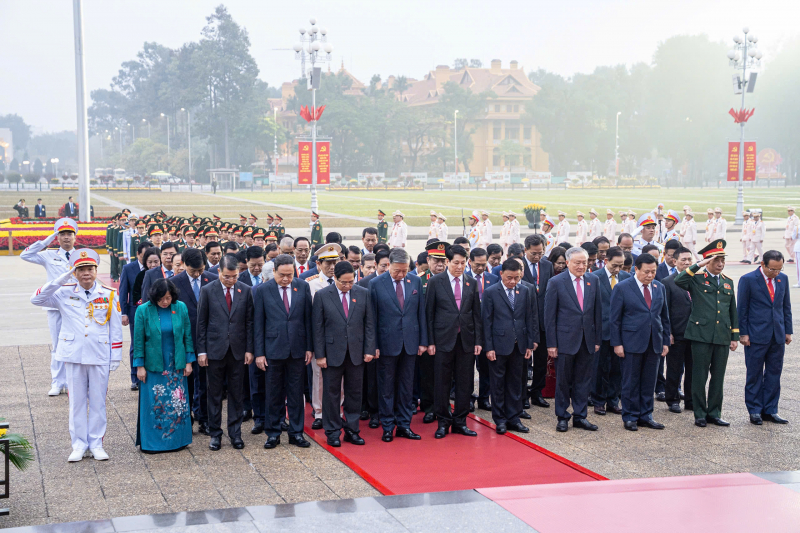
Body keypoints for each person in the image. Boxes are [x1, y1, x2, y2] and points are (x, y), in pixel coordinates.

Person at [30, 249, 122, 462]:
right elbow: (36, 299)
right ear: (74, 272)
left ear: (96, 270)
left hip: (99, 354)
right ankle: (79, 444)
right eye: (80, 269)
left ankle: (96, 443)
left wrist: (115, 356)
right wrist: (59, 279)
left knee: (98, 402)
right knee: (77, 403)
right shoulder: (63, 292)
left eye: (89, 269)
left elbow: (115, 327)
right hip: (73, 355)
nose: (86, 273)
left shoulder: (108, 293)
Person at [674, 239, 739, 427]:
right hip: (700, 335)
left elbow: (732, 310)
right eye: (716, 260)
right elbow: (679, 280)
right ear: (707, 261)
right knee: (699, 376)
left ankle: (714, 413)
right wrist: (698, 265)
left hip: (721, 335)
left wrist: (734, 336)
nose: (720, 264)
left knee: (718, 377)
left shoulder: (728, 282)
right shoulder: (697, 278)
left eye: (722, 261)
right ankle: (700, 413)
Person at [313, 261, 376, 446]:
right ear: (335, 279)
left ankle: (352, 429)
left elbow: (369, 324)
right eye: (344, 282)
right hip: (332, 352)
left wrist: (369, 349)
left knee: (354, 393)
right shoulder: (323, 295)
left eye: (351, 282)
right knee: (331, 394)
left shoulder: (363, 294)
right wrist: (320, 355)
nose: (348, 286)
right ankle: (332, 431)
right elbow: (318, 327)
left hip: (356, 352)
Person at [254, 254, 314, 449]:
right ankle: (273, 433)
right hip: (273, 349)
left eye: (290, 274)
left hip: (297, 349)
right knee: (273, 394)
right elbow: (258, 324)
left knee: (296, 394)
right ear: (274, 272)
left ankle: (296, 433)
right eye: (282, 275)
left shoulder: (302, 286)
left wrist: (308, 347)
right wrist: (260, 353)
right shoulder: (263, 290)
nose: (286, 279)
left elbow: (307, 319)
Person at [196, 254, 255, 451]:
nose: (231, 280)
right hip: (214, 350)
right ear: (219, 272)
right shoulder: (208, 290)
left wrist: (249, 349)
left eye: (235, 276)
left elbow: (249, 322)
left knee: (237, 394)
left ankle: (235, 433)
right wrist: (202, 351)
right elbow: (201, 323)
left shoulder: (245, 290)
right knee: (214, 393)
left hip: (237, 351)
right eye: (227, 276)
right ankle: (215, 434)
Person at [370, 248, 427, 442]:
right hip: (386, 343)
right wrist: (373, 345)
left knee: (406, 387)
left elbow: (421, 314)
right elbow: (372, 319)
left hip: (410, 343)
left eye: (404, 270)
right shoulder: (376, 284)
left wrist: (423, 342)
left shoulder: (415, 281)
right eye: (397, 271)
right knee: (386, 386)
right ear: (389, 266)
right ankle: (387, 426)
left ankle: (404, 425)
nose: (401, 274)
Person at [426, 244, 483, 439]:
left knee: (465, 382)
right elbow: (429, 314)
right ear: (447, 262)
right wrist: (430, 341)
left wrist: (478, 340)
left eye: (463, 262)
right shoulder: (436, 282)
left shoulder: (471, 282)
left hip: (465, 340)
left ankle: (460, 421)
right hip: (443, 340)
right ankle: (443, 421)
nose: (460, 266)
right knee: (441, 382)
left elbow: (476, 313)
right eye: (456, 262)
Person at [609, 253, 670, 431]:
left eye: (653, 272)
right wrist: (617, 343)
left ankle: (646, 415)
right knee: (630, 381)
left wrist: (665, 340)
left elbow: (664, 317)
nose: (650, 275)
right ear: (636, 269)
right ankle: (630, 416)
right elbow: (615, 319)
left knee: (649, 381)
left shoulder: (659, 287)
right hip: (631, 342)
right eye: (646, 272)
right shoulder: (622, 288)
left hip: (654, 342)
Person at [132, 279, 195, 452]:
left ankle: (177, 440)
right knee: (155, 403)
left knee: (177, 403)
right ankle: (153, 443)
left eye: (168, 298)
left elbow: (187, 336)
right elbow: (138, 341)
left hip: (176, 364)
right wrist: (139, 366)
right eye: (161, 298)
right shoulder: (143, 310)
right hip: (154, 365)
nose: (165, 302)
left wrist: (189, 361)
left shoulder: (180, 307)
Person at [545, 246, 603, 432]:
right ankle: (562, 416)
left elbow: (597, 312)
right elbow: (549, 316)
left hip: (587, 340)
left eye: (584, 263)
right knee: (563, 380)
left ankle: (580, 416)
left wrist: (597, 340)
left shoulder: (593, 280)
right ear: (568, 262)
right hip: (564, 340)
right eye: (577, 262)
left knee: (583, 380)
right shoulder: (556, 282)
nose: (581, 266)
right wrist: (551, 343)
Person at [21, 218, 79, 396]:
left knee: (75, 343)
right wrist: (46, 241)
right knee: (57, 345)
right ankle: (57, 382)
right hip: (55, 305)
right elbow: (25, 255)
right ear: (57, 236)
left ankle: (71, 382)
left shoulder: (82, 255)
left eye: (69, 234)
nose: (66, 238)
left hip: (76, 305)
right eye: (62, 234)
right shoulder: (49, 254)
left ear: (75, 237)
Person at [482, 259, 537, 434]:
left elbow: (530, 318)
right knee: (498, 384)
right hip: (498, 345)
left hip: (518, 344)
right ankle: (500, 419)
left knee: (516, 383)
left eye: (516, 278)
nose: (513, 282)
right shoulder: (491, 292)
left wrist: (530, 342)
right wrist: (488, 347)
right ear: (501, 274)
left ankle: (514, 417)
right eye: (509, 278)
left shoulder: (525, 291)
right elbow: (487, 321)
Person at [738, 250, 793, 425]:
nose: (776, 273)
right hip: (755, 335)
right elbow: (742, 309)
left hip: (777, 334)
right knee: (754, 374)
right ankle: (754, 410)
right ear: (762, 264)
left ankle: (770, 409)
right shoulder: (748, 280)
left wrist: (788, 330)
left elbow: (786, 306)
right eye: (772, 269)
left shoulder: (782, 279)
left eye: (779, 269)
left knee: (774, 374)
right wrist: (743, 333)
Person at [170, 248, 217, 436]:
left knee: (206, 382)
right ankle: (186, 418)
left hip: (207, 340)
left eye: (200, 270)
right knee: (186, 381)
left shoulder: (212, 279)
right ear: (183, 265)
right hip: (184, 340)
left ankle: (204, 419)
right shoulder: (174, 283)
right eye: (193, 271)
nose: (197, 274)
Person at [306, 244, 341, 430]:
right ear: (319, 264)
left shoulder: (343, 281)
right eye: (328, 263)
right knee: (318, 377)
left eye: (335, 262)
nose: (332, 266)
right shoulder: (311, 284)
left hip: (340, 339)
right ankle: (319, 412)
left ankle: (338, 412)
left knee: (341, 379)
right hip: (321, 339)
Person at [592, 246, 629, 415]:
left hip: (621, 332)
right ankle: (598, 401)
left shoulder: (626, 278)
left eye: (621, 265)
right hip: (602, 331)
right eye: (615, 265)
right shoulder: (594, 278)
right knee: (600, 368)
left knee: (617, 368)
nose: (618, 269)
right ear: (606, 261)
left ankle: (613, 401)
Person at [521, 235, 553, 409]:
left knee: (541, 360)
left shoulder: (547, 265)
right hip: (524, 320)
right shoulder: (519, 265)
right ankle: (523, 394)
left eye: (540, 253)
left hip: (543, 320)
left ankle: (537, 392)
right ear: (525, 250)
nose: (537, 256)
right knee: (524, 360)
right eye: (534, 253)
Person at [663, 246, 695, 414]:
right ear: (675, 261)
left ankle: (690, 400)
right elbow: (665, 310)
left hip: (695, 333)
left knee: (693, 369)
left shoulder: (697, 279)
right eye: (684, 260)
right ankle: (672, 399)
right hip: (677, 332)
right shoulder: (668, 282)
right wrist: (668, 332)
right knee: (675, 368)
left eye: (689, 259)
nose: (687, 262)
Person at [119, 240, 153, 391]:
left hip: (153, 311)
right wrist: (124, 313)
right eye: (145, 256)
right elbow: (123, 291)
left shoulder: (155, 269)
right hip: (134, 312)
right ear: (138, 254)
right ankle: (135, 377)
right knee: (136, 344)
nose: (148, 260)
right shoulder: (128, 268)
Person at [469, 247, 498, 411]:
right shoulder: (465, 278)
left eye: (483, 264)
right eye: (477, 265)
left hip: (487, 328)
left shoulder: (492, 279)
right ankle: (468, 397)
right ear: (470, 262)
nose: (480, 268)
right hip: (469, 328)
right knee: (467, 367)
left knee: (486, 366)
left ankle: (484, 398)